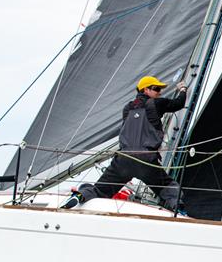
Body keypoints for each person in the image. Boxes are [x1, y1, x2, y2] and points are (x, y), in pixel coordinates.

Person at [61, 75, 187, 212]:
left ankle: (81, 196)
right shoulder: (156, 104)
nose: (160, 92)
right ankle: (177, 209)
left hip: (123, 159)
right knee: (167, 188)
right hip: (146, 160)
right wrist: (183, 89)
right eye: (156, 89)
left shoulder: (128, 108)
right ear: (146, 90)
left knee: (100, 190)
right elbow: (178, 104)